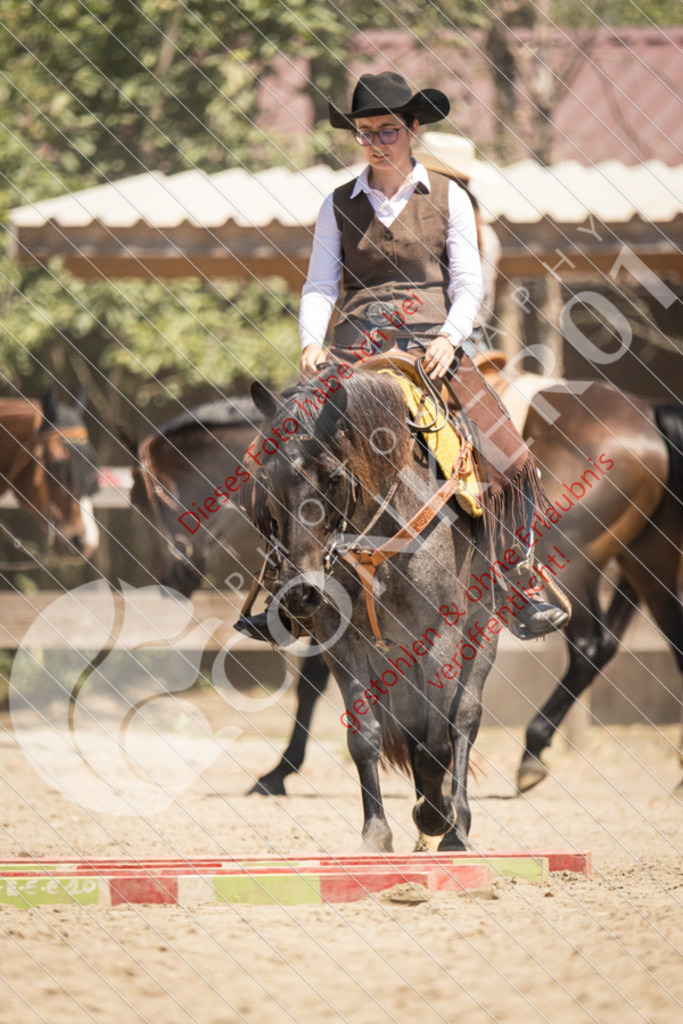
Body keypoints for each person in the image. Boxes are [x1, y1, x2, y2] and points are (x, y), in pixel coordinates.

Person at [294, 71, 569, 641]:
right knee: (287, 461)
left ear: (413, 129)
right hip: (354, 349)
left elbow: (468, 284)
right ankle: (288, 586)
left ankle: (515, 577)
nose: (375, 142)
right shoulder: (335, 204)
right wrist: (310, 341)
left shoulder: (451, 198)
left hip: (433, 346)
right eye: (364, 132)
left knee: (514, 460)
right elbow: (320, 285)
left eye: (388, 131)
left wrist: (450, 337)